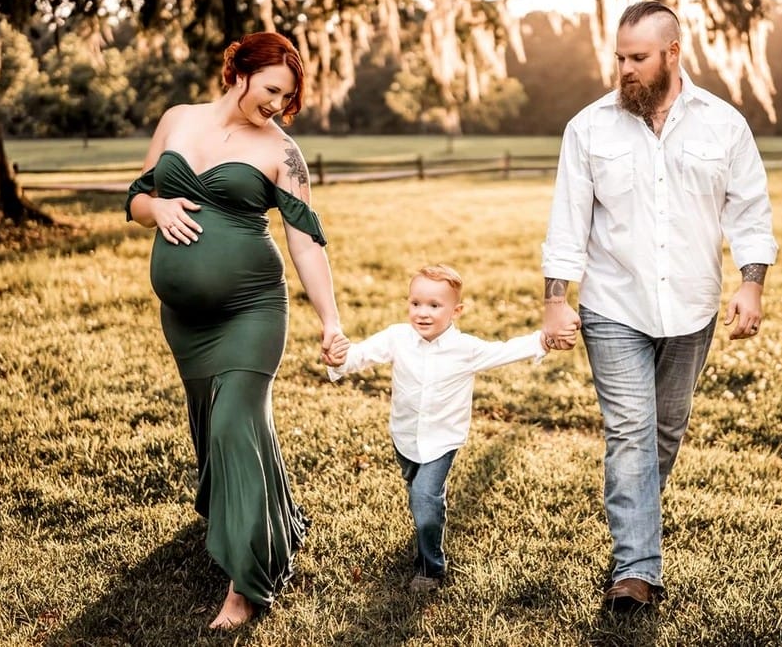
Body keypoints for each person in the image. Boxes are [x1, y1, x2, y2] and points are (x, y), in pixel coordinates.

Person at [540, 0, 779, 612]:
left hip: (691, 308)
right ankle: (636, 571)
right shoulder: (588, 128)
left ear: (674, 54)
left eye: (638, 58)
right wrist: (556, 300)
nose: (624, 68)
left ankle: (634, 525)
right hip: (613, 306)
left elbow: (749, 212)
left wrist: (750, 283)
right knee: (630, 433)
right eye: (619, 56)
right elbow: (567, 223)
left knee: (662, 434)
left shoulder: (724, 125)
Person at [124, 32, 344, 629]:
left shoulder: (281, 150)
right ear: (239, 71)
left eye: (287, 96)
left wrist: (331, 321)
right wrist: (160, 209)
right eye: (271, 89)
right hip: (185, 320)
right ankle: (255, 517)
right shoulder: (177, 119)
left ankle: (245, 587)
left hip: (252, 308)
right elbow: (139, 195)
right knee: (211, 424)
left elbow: (304, 238)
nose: (277, 103)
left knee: (233, 422)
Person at [324, 264, 577, 592]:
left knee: (425, 496)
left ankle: (431, 568)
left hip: (442, 440)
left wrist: (542, 340)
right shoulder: (397, 337)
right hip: (404, 436)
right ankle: (425, 520)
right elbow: (360, 356)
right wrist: (338, 359)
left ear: (456, 311)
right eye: (416, 303)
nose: (423, 313)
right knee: (417, 491)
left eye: (434, 305)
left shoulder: (465, 349)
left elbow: (504, 351)